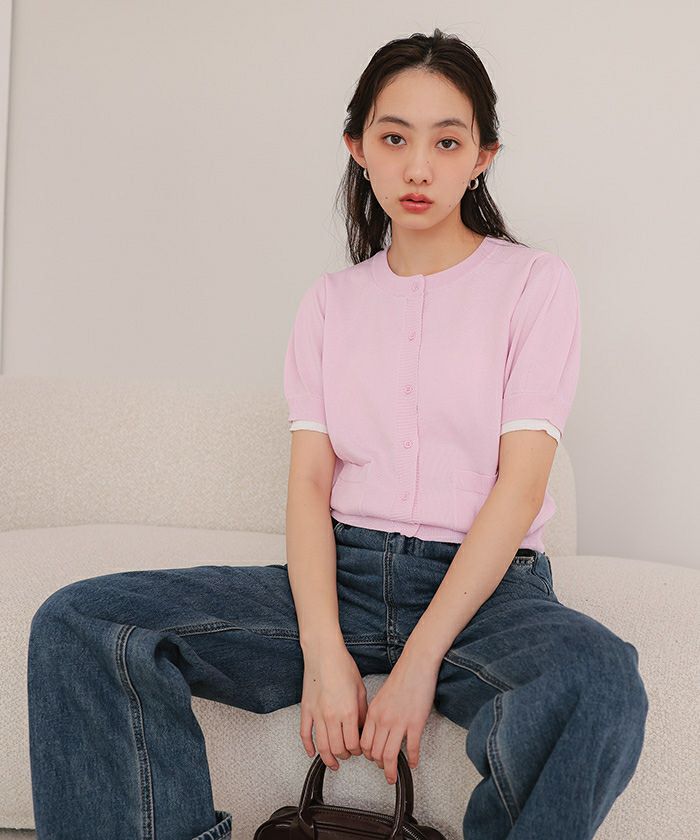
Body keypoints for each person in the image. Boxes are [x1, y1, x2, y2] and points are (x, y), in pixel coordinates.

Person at [26, 28, 648, 840]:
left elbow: (521, 486)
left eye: (446, 141)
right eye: (394, 138)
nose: (418, 167)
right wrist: (324, 651)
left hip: (488, 596)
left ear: (483, 156)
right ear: (357, 147)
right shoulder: (331, 302)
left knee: (601, 679)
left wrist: (418, 664)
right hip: (342, 577)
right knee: (80, 621)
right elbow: (311, 484)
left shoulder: (535, 284)